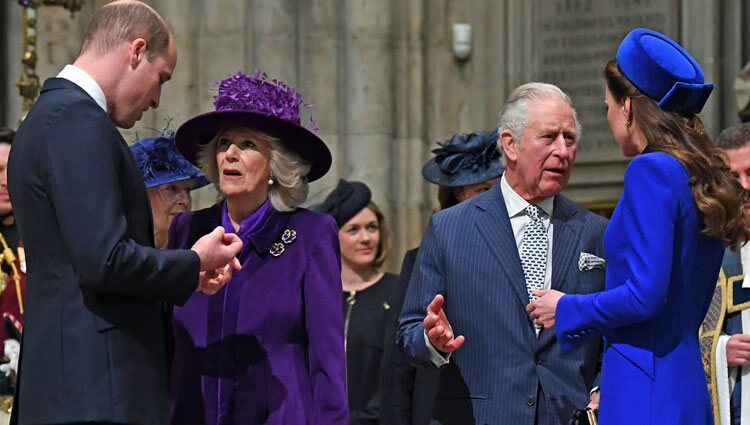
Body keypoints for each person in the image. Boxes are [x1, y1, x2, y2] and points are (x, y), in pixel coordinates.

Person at [6, 2, 243, 424]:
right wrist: (194, 261)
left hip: (70, 387)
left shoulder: (48, 117)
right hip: (96, 391)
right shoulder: (77, 121)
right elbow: (105, 260)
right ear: (136, 51)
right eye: (161, 79)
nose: (156, 100)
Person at [528, 28, 748, 425]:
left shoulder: (651, 169)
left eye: (607, 106)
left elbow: (645, 295)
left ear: (628, 108)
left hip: (643, 386)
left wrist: (566, 306)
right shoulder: (696, 174)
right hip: (681, 383)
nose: (609, 118)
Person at [396, 82, 607, 425]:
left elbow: (612, 331)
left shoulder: (594, 232)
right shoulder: (450, 228)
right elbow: (408, 334)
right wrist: (431, 339)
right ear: (510, 144)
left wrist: (601, 388)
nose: (563, 150)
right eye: (549, 137)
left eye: (570, 139)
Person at [168, 70, 348, 425]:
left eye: (248, 144)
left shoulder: (310, 233)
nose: (230, 154)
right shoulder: (188, 230)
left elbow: (327, 360)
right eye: (223, 143)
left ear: (274, 165)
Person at [379, 129, 502, 425]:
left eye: (498, 190)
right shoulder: (422, 257)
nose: (492, 200)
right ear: (457, 195)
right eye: (482, 191)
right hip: (442, 409)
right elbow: (398, 363)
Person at [316, 179, 397, 424]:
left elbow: (400, 373)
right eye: (353, 230)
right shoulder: (316, 295)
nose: (366, 238)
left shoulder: (398, 290)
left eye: (372, 227)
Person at [700, 123, 750, 425]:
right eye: (734, 178)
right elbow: (674, 336)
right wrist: (720, 351)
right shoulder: (707, 254)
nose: (744, 186)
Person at [130, 127, 209, 248]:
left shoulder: (198, 252)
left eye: (188, 190)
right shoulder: (116, 257)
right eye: (172, 188)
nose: (185, 201)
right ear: (140, 197)